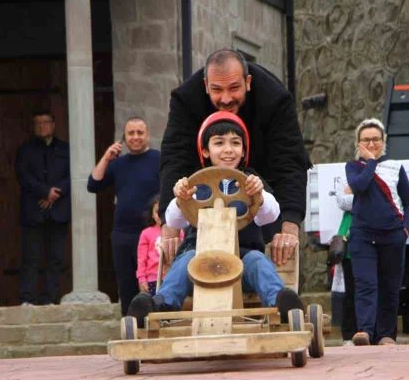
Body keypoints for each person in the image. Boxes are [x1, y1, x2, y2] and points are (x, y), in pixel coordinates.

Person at [127, 111, 304, 326]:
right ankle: (162, 304)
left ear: (243, 150)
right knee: (184, 262)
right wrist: (180, 199)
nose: (228, 149)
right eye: (219, 143)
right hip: (199, 259)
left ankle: (280, 302)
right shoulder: (195, 183)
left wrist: (259, 195)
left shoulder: (251, 181)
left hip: (242, 259)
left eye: (235, 143)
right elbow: (174, 221)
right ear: (205, 150)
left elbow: (271, 216)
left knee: (259, 262)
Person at [159, 49, 311, 268]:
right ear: (205, 86)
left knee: (269, 257)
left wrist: (289, 226)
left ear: (248, 82)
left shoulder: (275, 98)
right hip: (204, 197)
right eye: (217, 90)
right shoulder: (186, 99)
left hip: (262, 186)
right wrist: (169, 230)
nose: (226, 98)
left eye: (234, 88)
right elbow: (174, 159)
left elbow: (289, 161)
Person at [346, 118, 409, 346]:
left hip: (393, 235)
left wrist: (406, 227)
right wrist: (371, 162)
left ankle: (386, 334)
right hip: (362, 235)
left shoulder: (395, 167)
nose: (371, 144)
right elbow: (359, 186)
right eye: (366, 140)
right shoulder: (353, 167)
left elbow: (408, 201)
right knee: (365, 284)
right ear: (358, 143)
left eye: (376, 139)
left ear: (383, 141)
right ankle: (365, 330)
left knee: (390, 287)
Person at [87, 117, 160, 314]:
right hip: (123, 234)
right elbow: (93, 185)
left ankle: (154, 323)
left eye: (140, 133)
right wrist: (106, 157)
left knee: (153, 283)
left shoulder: (158, 159)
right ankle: (130, 325)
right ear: (124, 137)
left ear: (148, 135)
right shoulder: (118, 163)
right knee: (126, 285)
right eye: (131, 133)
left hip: (152, 233)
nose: (135, 137)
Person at [15, 110, 70, 305]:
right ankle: (27, 298)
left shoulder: (65, 149)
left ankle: (50, 298)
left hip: (59, 211)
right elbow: (23, 175)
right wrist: (45, 192)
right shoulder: (25, 150)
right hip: (33, 210)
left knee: (55, 257)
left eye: (45, 122)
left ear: (53, 125)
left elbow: (73, 174)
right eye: (38, 123)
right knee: (30, 257)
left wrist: (56, 193)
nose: (42, 126)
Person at [330, 181, 357, 344]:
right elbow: (343, 201)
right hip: (349, 244)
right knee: (350, 293)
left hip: (369, 244)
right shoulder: (349, 179)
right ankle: (349, 335)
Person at [137, 195, 163, 296]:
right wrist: (141, 278)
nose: (160, 215)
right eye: (157, 212)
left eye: (163, 211)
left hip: (171, 278)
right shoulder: (146, 233)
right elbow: (141, 259)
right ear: (152, 214)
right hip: (152, 279)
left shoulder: (178, 231)